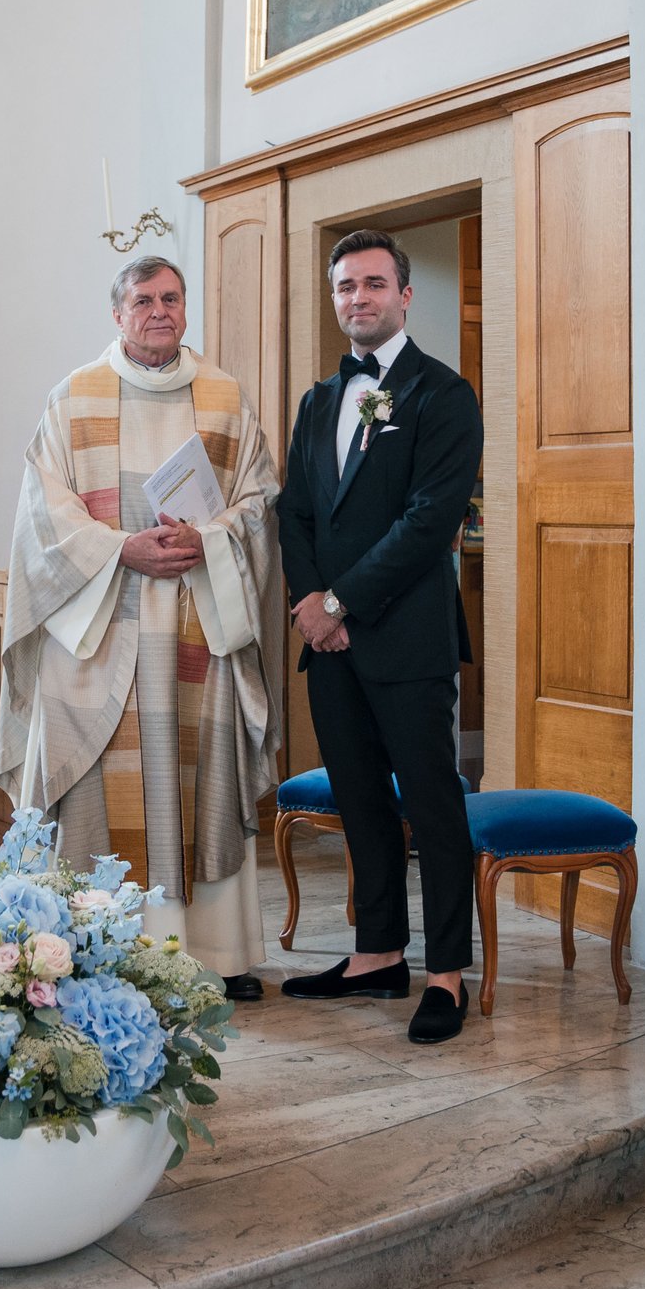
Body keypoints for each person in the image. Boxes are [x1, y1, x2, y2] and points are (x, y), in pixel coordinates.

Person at [0, 257, 284, 997]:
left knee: (203, 778)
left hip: (197, 623)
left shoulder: (223, 398)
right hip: (102, 630)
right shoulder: (72, 398)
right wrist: (122, 546)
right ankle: (95, 951)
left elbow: (256, 502)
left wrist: (208, 539)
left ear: (186, 309)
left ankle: (214, 953)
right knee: (96, 790)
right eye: (144, 300)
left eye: (172, 298)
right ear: (117, 314)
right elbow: (43, 515)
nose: (160, 311)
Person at [275, 228, 483, 1043]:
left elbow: (428, 523)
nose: (356, 299)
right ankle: (377, 954)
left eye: (371, 284)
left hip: (406, 638)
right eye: (344, 288)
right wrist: (307, 603)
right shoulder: (319, 401)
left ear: (404, 294)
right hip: (329, 644)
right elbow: (295, 512)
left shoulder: (443, 393)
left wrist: (342, 601)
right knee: (361, 802)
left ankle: (445, 974)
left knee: (432, 808)